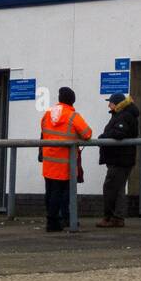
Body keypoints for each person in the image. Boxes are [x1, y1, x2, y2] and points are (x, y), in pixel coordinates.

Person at [40, 87, 91, 232]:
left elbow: (43, 131)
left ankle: (51, 221)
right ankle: (57, 222)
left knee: (50, 192)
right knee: (61, 193)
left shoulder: (48, 114)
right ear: (72, 101)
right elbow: (87, 133)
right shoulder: (73, 116)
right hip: (65, 163)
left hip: (49, 160)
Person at [96, 92, 140, 229]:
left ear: (116, 104)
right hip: (122, 158)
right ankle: (117, 217)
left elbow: (119, 133)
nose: (109, 105)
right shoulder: (124, 114)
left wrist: (103, 137)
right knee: (118, 188)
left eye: (110, 102)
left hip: (120, 159)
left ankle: (111, 217)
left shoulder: (123, 116)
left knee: (110, 187)